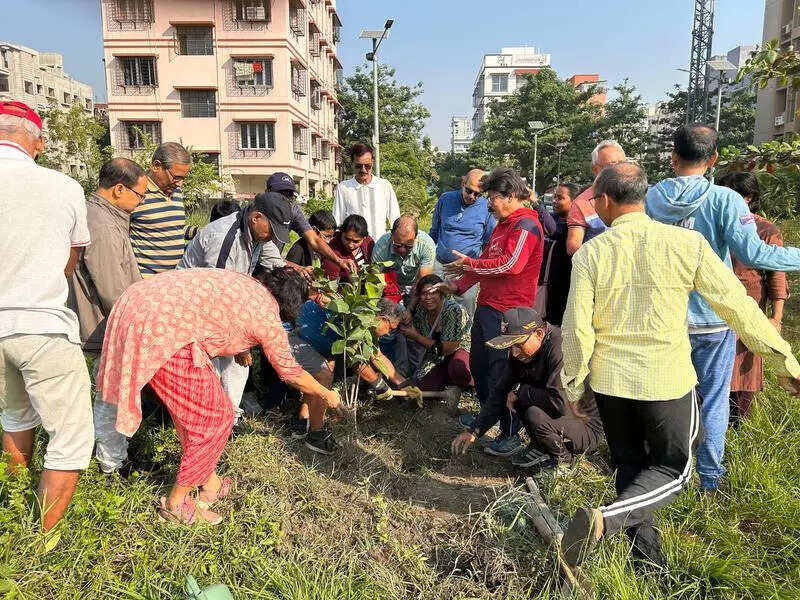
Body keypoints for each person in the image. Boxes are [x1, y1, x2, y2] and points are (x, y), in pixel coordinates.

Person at [559, 161, 800, 571]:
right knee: (675, 471)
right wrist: (784, 360)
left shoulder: (589, 254)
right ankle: (606, 519)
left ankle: (648, 563)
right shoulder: (686, 245)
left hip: (611, 382)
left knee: (632, 468)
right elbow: (736, 305)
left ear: (602, 202)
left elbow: (576, 329)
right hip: (665, 380)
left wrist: (575, 387)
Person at [96, 268, 343, 525]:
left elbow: (222, 315)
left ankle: (208, 480)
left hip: (139, 303)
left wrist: (241, 347)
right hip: (163, 330)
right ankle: (174, 505)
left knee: (199, 413)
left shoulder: (250, 285)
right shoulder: (267, 316)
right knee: (214, 419)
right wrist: (327, 395)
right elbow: (290, 372)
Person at [645, 124, 800, 493]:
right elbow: (754, 253)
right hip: (713, 319)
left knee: (667, 397)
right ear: (713, 159)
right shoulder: (725, 199)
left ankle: (663, 474)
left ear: (673, 156)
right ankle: (709, 479)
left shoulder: (651, 198)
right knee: (714, 402)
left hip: (664, 318)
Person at [0, 101, 93, 531]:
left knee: (14, 416)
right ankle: (42, 539)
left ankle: (14, 508)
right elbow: (70, 262)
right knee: (70, 437)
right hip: (42, 325)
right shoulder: (62, 186)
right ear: (35, 141)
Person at [439, 167, 544, 457]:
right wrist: (456, 287)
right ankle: (487, 420)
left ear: (509, 196)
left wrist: (470, 265)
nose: (488, 204)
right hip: (487, 309)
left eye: (492, 198)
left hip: (508, 315)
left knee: (503, 375)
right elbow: (485, 264)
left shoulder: (526, 225)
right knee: (481, 369)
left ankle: (510, 434)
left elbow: (511, 265)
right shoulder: (501, 226)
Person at [178, 192, 293, 424]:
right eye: (272, 230)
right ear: (256, 217)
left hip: (226, 301)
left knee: (236, 364)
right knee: (211, 365)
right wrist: (239, 345)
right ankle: (214, 420)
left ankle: (229, 418)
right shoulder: (225, 238)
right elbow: (216, 295)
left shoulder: (259, 236)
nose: (272, 237)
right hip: (196, 305)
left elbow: (278, 267)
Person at [68, 158, 148, 476]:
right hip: (103, 324)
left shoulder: (107, 215)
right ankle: (111, 465)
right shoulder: (100, 223)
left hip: (108, 321)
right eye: (139, 195)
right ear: (118, 189)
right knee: (110, 395)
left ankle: (113, 456)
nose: (141, 202)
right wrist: (138, 323)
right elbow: (111, 289)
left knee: (109, 394)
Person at [450, 308, 602, 472]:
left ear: (538, 334)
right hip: (558, 417)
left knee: (531, 411)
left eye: (518, 345)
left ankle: (564, 463)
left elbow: (559, 403)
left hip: (584, 427)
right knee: (517, 400)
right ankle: (540, 446)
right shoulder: (520, 353)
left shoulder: (560, 348)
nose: (514, 352)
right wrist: (475, 430)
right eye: (510, 346)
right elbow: (500, 391)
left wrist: (521, 392)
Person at [717, 171, 789, 425]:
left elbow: (776, 277)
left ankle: (740, 429)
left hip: (750, 310)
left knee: (745, 366)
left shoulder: (764, 230)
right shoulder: (715, 224)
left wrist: (776, 317)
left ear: (748, 198)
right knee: (714, 371)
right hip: (715, 309)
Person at [429, 169, 496, 318]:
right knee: (433, 306)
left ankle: (465, 339)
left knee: (465, 311)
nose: (472, 197)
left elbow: (488, 242)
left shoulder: (487, 208)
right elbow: (434, 231)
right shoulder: (445, 199)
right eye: (469, 191)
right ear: (462, 184)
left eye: (478, 194)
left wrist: (478, 268)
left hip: (466, 269)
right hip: (441, 265)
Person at [267, 172, 355, 274]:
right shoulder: (259, 212)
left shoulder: (293, 210)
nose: (283, 200)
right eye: (280, 194)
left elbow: (314, 239)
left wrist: (339, 261)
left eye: (289, 195)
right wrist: (297, 268)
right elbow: (265, 254)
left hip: (273, 261)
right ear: (268, 192)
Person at [399, 274, 473, 393]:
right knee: (423, 386)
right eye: (424, 293)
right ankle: (447, 378)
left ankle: (466, 382)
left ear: (442, 294)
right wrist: (408, 311)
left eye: (433, 293)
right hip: (437, 355)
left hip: (459, 349)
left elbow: (447, 349)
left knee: (459, 369)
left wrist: (416, 336)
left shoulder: (453, 310)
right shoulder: (420, 311)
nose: (428, 297)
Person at [129, 142, 193, 277]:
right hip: (147, 281)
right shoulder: (136, 193)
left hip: (174, 279)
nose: (180, 184)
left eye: (183, 178)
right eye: (176, 177)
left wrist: (201, 232)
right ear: (156, 166)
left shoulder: (177, 192)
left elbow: (173, 228)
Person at [566, 140, 626, 256]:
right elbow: (573, 246)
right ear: (595, 169)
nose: (619, 170)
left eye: (622, 164)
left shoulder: (637, 196)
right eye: (611, 165)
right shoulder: (582, 203)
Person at [332, 142, 400, 240]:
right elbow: (338, 221)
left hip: (380, 247)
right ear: (352, 164)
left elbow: (395, 219)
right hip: (354, 250)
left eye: (367, 166)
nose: (363, 170)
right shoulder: (344, 188)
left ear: (372, 162)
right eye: (358, 166)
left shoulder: (384, 186)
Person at [537, 183, 578, 326]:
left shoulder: (574, 225)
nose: (555, 201)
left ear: (573, 201)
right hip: (543, 283)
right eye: (554, 197)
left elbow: (554, 231)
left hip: (562, 286)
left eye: (560, 198)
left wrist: (536, 203)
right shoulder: (552, 218)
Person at [372, 215, 436, 302]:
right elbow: (375, 278)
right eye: (397, 245)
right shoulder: (381, 247)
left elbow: (422, 281)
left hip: (415, 284)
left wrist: (410, 309)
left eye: (408, 246)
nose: (402, 250)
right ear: (392, 235)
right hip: (390, 285)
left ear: (416, 237)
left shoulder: (426, 245)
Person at [322, 214, 375, 281]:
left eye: (356, 241)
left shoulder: (369, 243)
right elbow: (331, 282)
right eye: (347, 239)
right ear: (341, 233)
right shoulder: (332, 249)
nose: (350, 245)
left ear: (364, 238)